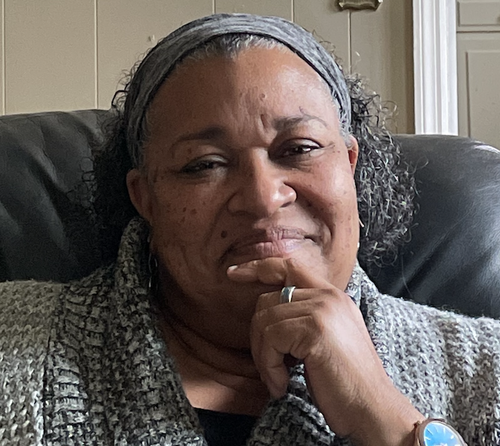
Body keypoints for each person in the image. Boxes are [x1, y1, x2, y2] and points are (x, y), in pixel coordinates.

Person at [1, 13, 500, 446]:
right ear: (145, 197)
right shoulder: (13, 343)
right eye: (204, 164)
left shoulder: (486, 368)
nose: (263, 197)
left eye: (299, 149)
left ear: (349, 165)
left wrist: (384, 416)